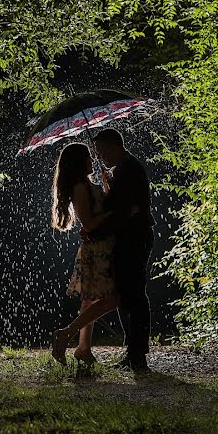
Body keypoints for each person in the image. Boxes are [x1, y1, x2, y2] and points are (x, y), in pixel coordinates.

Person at [81, 129, 155, 373]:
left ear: (114, 147)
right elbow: (121, 207)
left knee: (132, 295)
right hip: (131, 238)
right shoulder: (124, 169)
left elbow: (117, 211)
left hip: (134, 239)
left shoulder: (127, 170)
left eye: (102, 152)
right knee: (127, 295)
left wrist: (94, 232)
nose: (100, 158)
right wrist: (109, 184)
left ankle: (137, 355)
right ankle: (134, 353)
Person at [49, 142, 122, 366]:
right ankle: (66, 333)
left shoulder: (88, 183)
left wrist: (108, 186)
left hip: (102, 245)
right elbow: (89, 223)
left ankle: (83, 348)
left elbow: (100, 207)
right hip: (97, 249)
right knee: (114, 298)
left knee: (89, 300)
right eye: (88, 157)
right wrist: (115, 213)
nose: (92, 160)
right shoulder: (80, 187)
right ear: (79, 162)